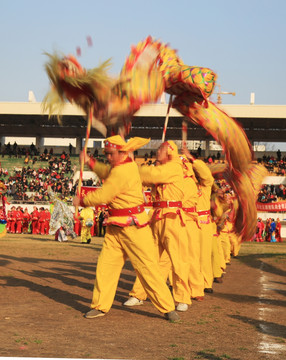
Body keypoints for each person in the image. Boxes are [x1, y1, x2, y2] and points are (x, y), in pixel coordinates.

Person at [73, 135, 178, 322]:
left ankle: (168, 307)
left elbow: (104, 195)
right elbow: (106, 172)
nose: (108, 157)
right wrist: (90, 162)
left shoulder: (123, 172)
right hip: (115, 227)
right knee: (105, 268)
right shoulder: (120, 168)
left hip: (133, 228)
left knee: (147, 268)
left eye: (111, 154)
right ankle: (100, 306)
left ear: (122, 152)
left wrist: (82, 200)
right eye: (106, 154)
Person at [125, 141, 191, 312]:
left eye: (160, 149)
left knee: (178, 261)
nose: (156, 152)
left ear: (169, 151)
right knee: (148, 259)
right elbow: (142, 179)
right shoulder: (161, 168)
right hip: (157, 216)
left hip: (172, 217)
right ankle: (139, 294)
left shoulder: (175, 167)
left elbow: (149, 176)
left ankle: (182, 297)